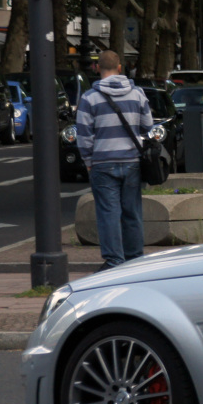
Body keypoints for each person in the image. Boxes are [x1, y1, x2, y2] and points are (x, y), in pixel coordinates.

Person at [75, 49, 154, 271]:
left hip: (102, 163)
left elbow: (84, 135)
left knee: (108, 213)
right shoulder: (137, 94)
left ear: (97, 68)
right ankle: (135, 258)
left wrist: (89, 161)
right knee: (132, 211)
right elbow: (148, 126)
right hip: (131, 161)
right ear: (120, 68)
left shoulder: (89, 98)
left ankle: (114, 261)